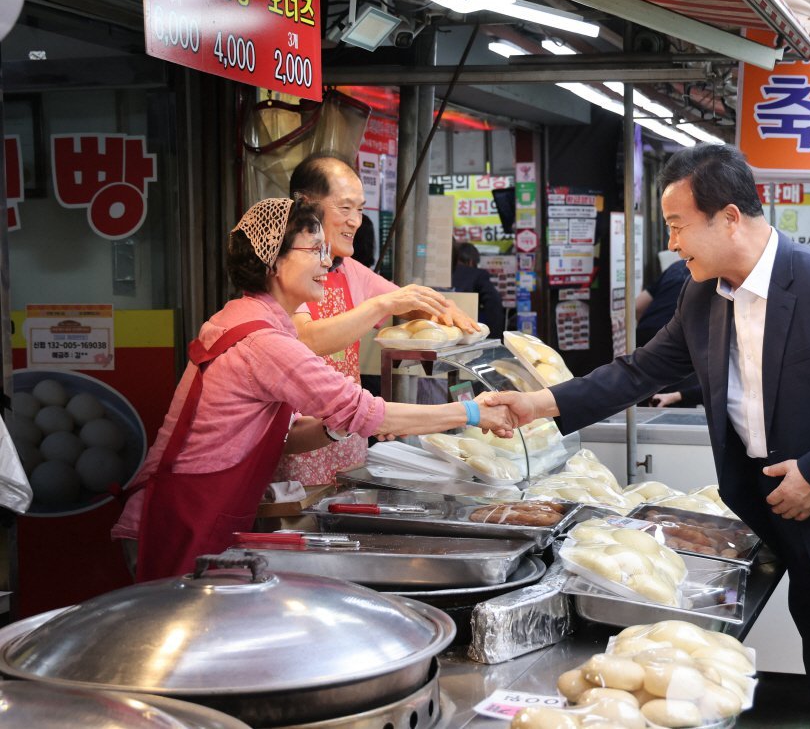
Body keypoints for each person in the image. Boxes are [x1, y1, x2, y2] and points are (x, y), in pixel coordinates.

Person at [486, 144, 810, 728]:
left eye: (678, 225)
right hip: (794, 527)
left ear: (729, 218)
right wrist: (538, 403)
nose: (672, 242)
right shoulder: (703, 295)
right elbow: (640, 371)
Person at [111, 198, 513, 581]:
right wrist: (473, 412)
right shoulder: (265, 342)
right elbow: (365, 411)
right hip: (177, 518)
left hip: (196, 510)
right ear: (273, 260)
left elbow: (287, 437)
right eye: (314, 250)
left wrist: (337, 426)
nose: (326, 262)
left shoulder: (248, 318)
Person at [274, 154, 478, 486]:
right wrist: (382, 304)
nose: (355, 221)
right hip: (298, 443)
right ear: (306, 205)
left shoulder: (351, 270)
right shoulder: (286, 272)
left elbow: (408, 304)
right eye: (345, 208)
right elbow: (306, 340)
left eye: (360, 209)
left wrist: (444, 310)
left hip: (348, 439)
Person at [452, 241, 505, 338]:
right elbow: (494, 303)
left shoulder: (437, 275)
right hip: (468, 333)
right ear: (471, 261)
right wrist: (494, 337)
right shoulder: (477, 275)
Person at [635, 258, 690, 346]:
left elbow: (638, 306)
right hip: (675, 339)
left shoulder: (676, 267)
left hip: (645, 331)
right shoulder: (706, 276)